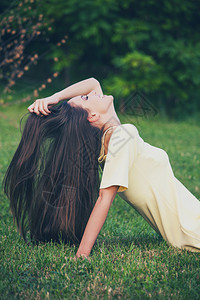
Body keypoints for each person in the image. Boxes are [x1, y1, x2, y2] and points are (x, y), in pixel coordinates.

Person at [3, 78, 200, 258]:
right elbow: (105, 198)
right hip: (191, 229)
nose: (96, 92)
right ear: (94, 115)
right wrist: (83, 253)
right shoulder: (122, 136)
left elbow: (92, 83)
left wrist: (55, 98)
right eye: (88, 98)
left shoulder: (114, 139)